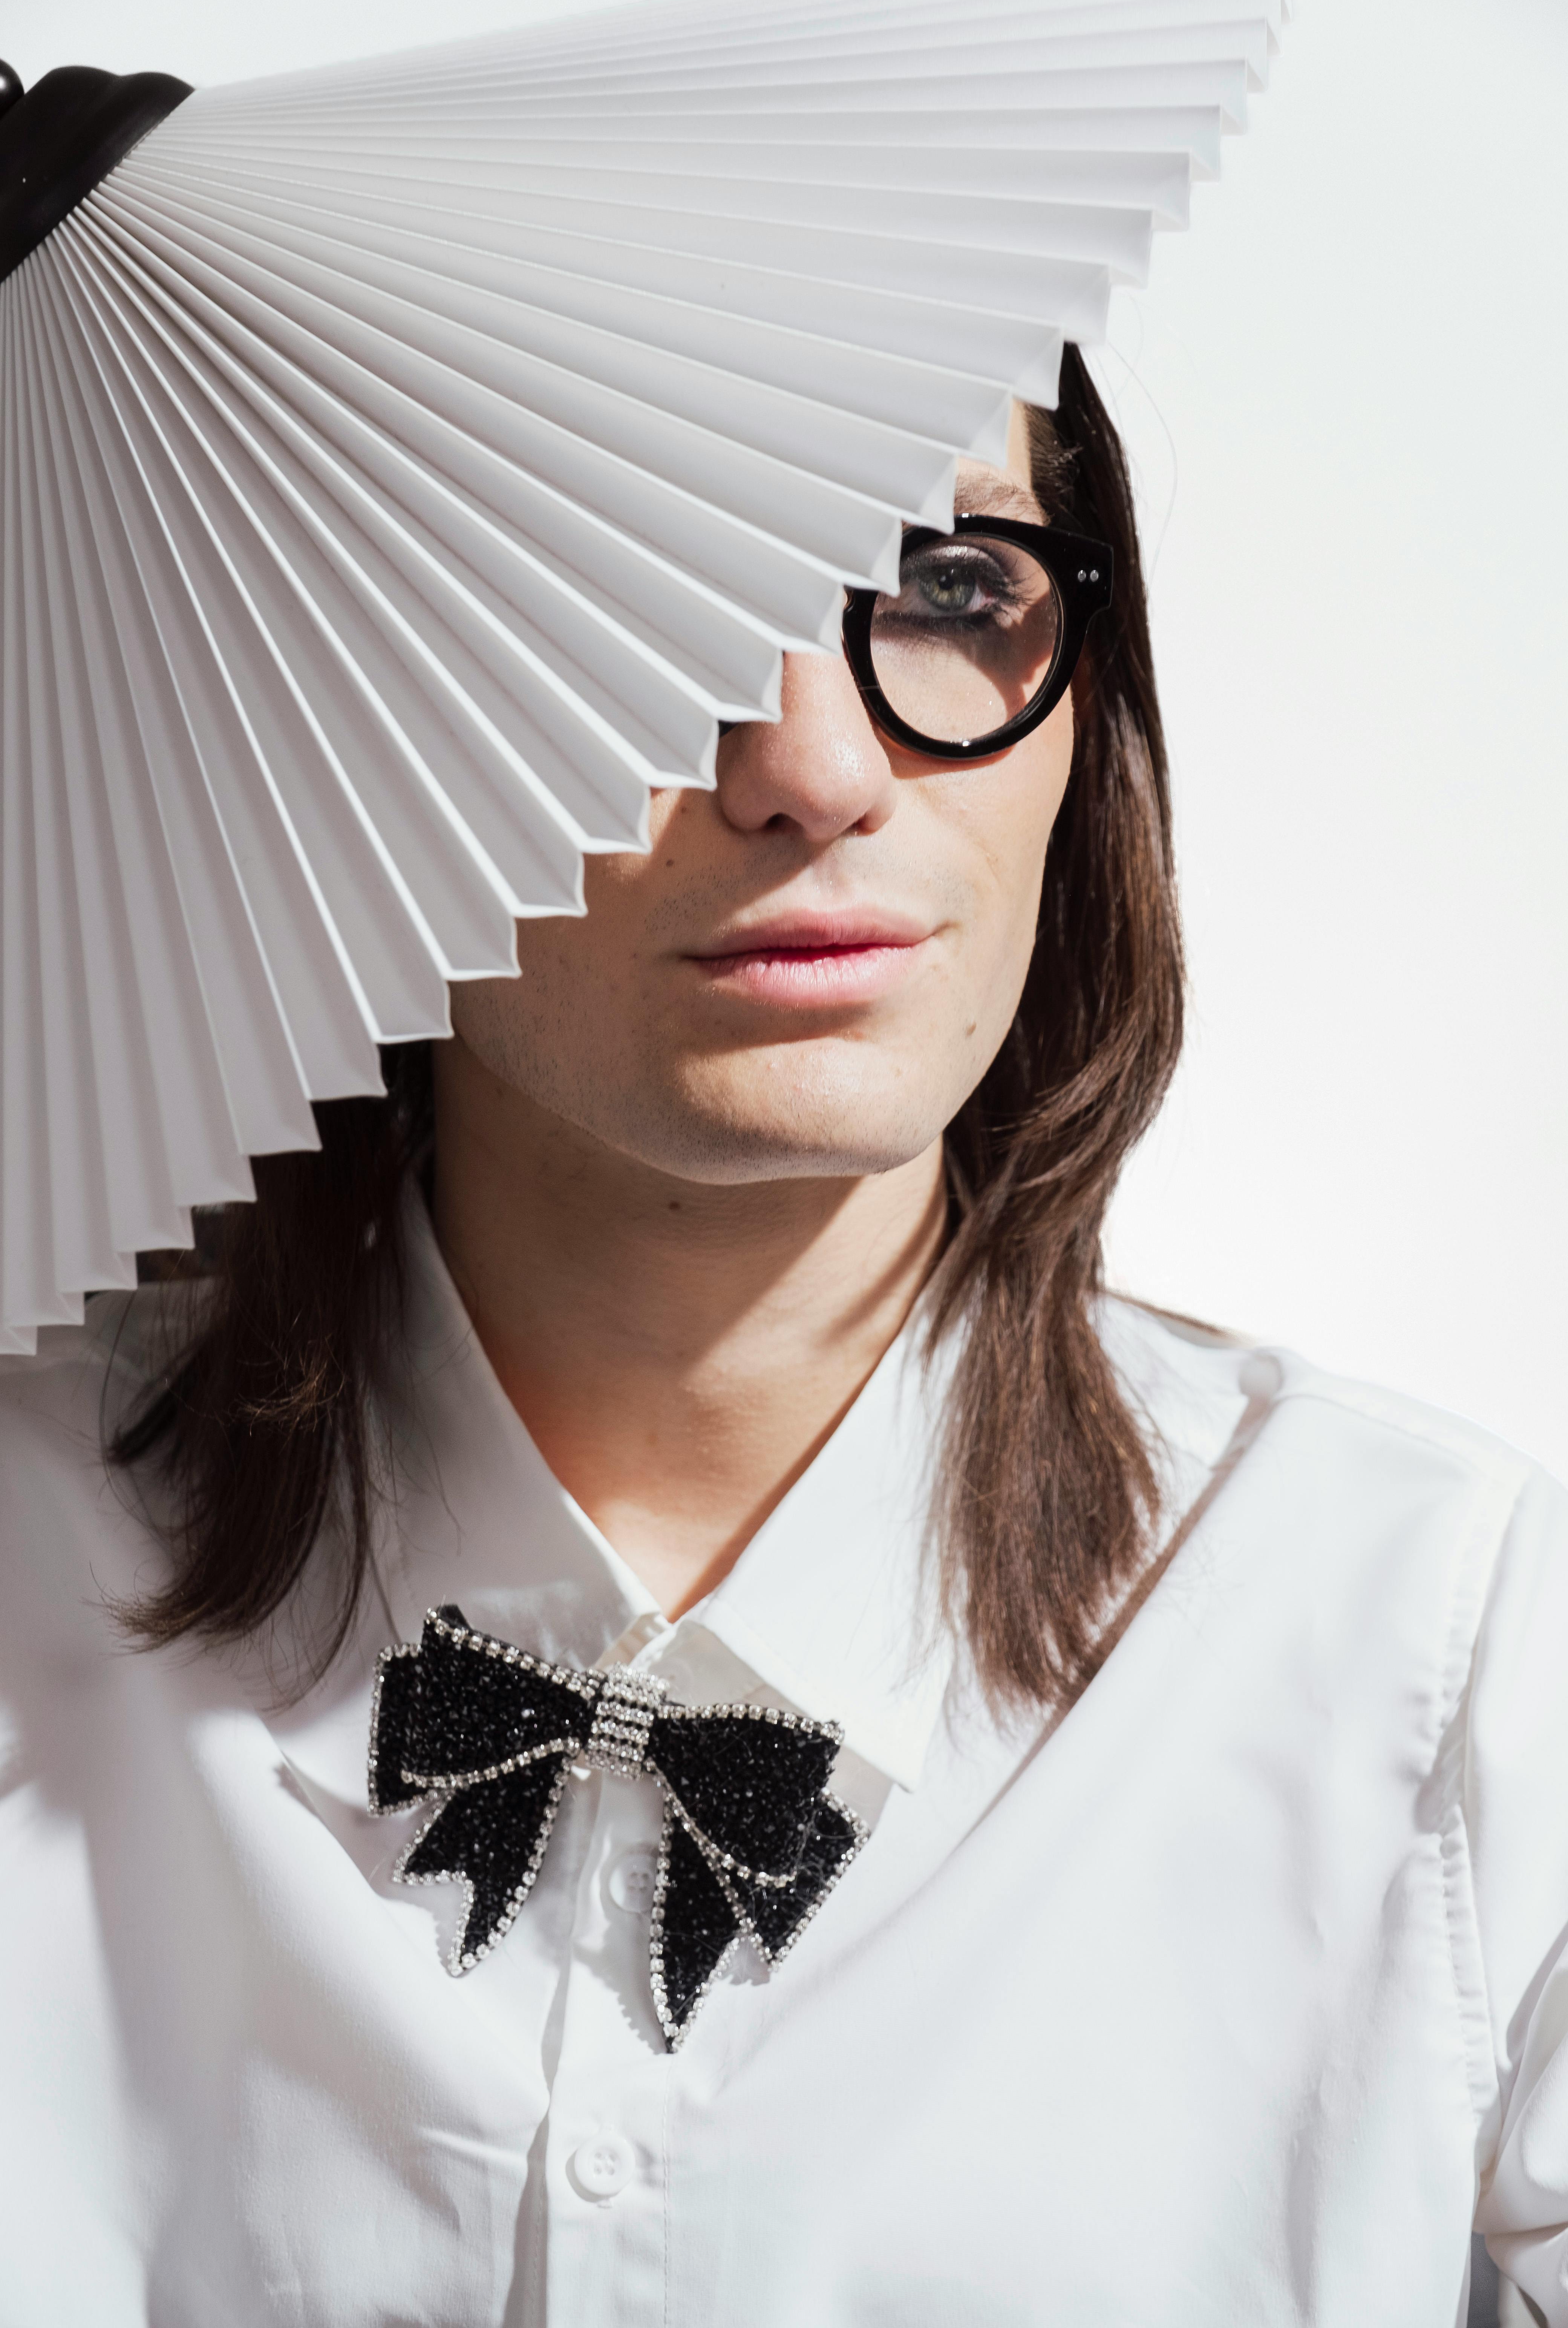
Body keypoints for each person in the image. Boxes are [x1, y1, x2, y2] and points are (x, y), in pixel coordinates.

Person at [0, 347, 1563, 2328]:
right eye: (633, 599)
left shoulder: (1462, 1658)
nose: (816, 770)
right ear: (342, 741)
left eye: (943, 581)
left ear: (1091, 714)